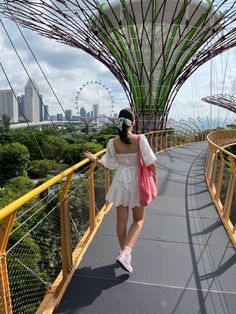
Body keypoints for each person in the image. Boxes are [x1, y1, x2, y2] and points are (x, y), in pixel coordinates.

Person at [84, 108, 157, 273]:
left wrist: (95, 160)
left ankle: (123, 253)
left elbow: (109, 165)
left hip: (120, 181)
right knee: (138, 220)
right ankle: (126, 252)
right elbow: (150, 162)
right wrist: (154, 176)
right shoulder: (140, 139)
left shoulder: (112, 142)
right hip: (137, 181)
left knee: (121, 221)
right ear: (133, 122)